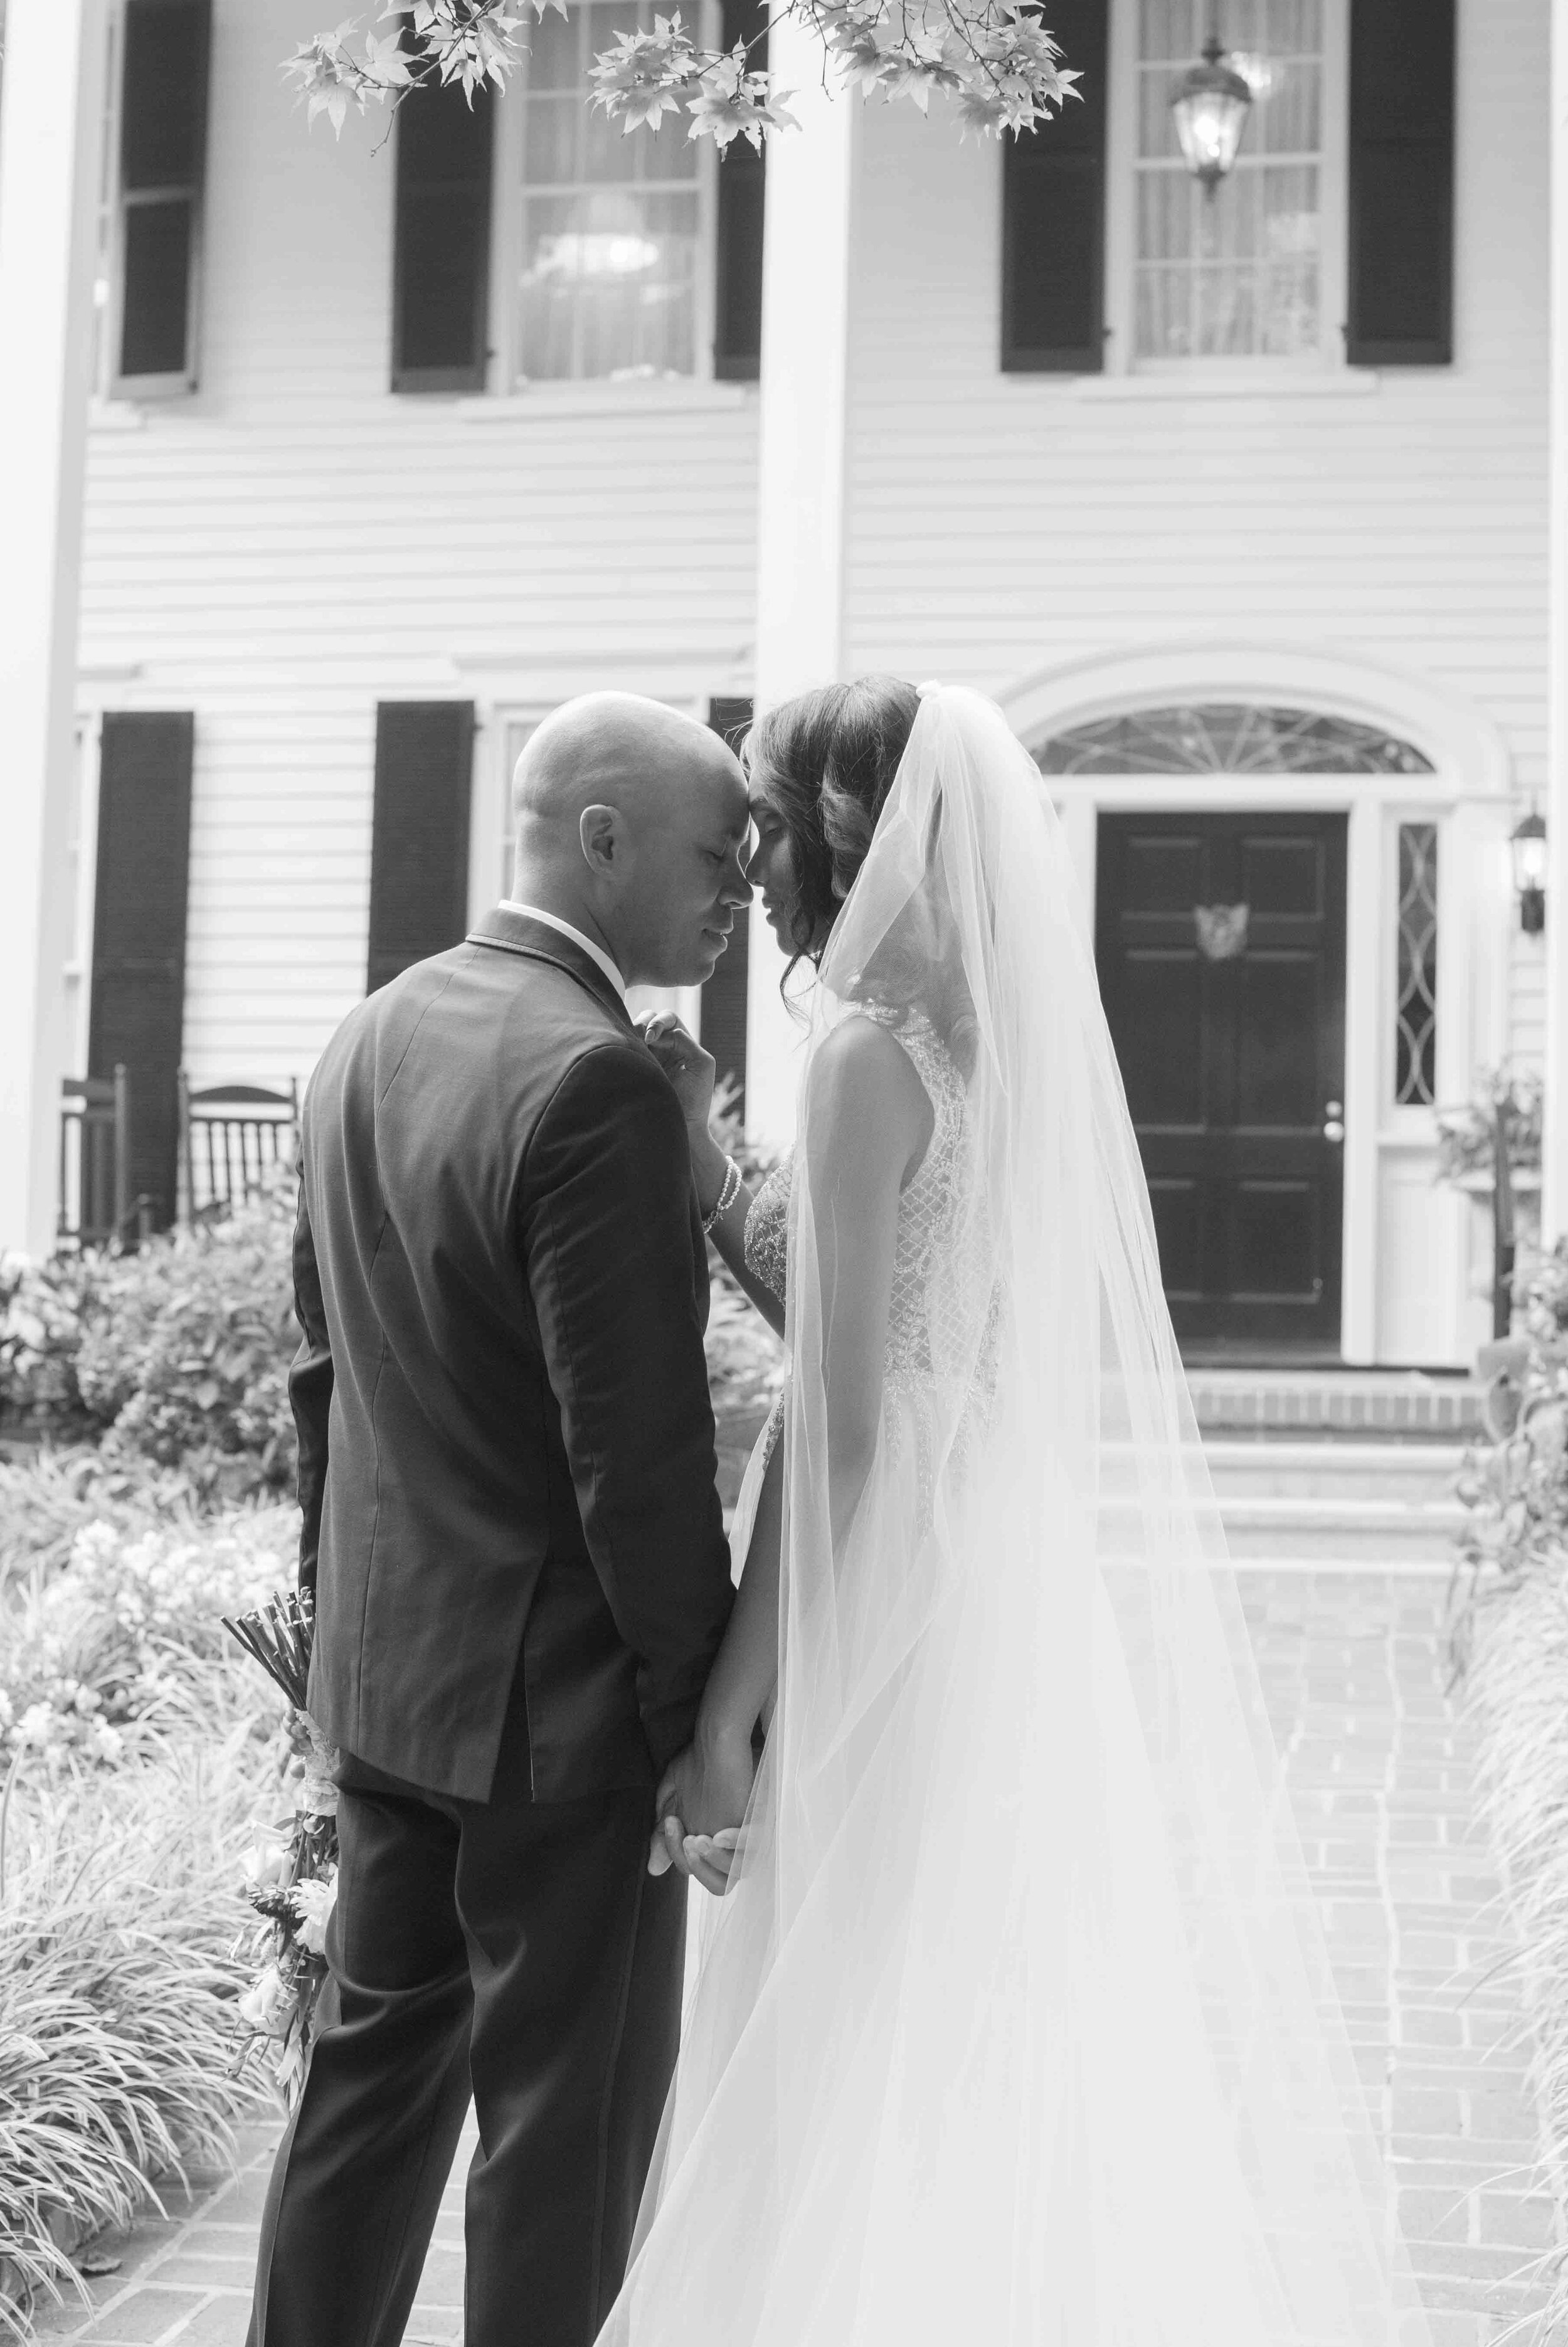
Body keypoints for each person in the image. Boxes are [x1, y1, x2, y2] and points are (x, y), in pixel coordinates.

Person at [612, 679, 1435, 2346]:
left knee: (837, 1982)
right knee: (968, 1962)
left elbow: (836, 1422)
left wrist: (734, 1703)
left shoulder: (856, 1063)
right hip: (988, 1541)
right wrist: (718, 1192)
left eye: (775, 830)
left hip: (877, 1560)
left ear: (856, 836)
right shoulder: (996, 1045)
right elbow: (922, 1330)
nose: (756, 870)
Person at [245, 692, 756, 2347]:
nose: (737, 890)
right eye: (714, 851)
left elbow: (321, 1382)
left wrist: (337, 1636)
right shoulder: (597, 1084)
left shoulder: (366, 1034)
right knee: (562, 2148)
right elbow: (639, 1465)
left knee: (362, 2103)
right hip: (565, 1727)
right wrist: (699, 1731)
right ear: (598, 838)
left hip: (392, 1691)